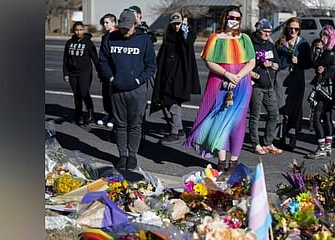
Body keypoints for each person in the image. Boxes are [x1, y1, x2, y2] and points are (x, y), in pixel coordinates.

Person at [183, 5, 256, 173]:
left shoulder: (245, 38)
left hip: (241, 86)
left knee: (237, 124)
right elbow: (209, 62)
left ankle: (234, 162)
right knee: (219, 120)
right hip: (219, 83)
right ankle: (222, 161)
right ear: (225, 18)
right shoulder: (215, 37)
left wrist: (236, 77)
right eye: (231, 17)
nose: (234, 20)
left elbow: (251, 63)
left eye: (237, 18)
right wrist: (227, 75)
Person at [98, 9, 157, 170]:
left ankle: (132, 155)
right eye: (122, 27)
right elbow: (102, 61)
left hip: (137, 90)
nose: (125, 31)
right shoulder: (110, 38)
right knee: (120, 124)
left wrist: (139, 79)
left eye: (128, 28)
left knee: (135, 125)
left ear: (134, 24)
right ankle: (122, 155)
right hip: (117, 89)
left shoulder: (143, 40)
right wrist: (111, 78)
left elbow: (151, 65)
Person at [151, 12, 201, 143]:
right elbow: (162, 55)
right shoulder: (169, 37)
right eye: (174, 24)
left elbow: (188, 40)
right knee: (166, 101)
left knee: (173, 102)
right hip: (167, 75)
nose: (176, 27)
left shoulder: (186, 35)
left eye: (178, 24)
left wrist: (185, 27)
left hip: (180, 76)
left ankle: (175, 132)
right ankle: (179, 130)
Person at [274, 17, 312, 150]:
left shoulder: (303, 44)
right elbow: (274, 59)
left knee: (294, 107)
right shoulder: (280, 42)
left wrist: (299, 62)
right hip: (281, 76)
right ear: (287, 28)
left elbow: (309, 63)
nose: (293, 31)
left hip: (297, 76)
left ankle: (292, 136)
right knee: (280, 105)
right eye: (291, 28)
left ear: (299, 29)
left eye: (296, 29)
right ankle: (279, 136)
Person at [306, 25, 335, 159]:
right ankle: (328, 146)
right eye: (322, 35)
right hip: (332, 88)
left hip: (324, 89)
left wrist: (317, 49)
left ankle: (321, 148)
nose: (322, 38)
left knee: (317, 117)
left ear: (331, 36)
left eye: (325, 36)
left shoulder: (329, 52)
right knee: (327, 117)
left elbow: (315, 62)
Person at [248, 19, 282, 155]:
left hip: (269, 86)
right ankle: (255, 144)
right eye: (264, 31)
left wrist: (272, 65)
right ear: (258, 31)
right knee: (255, 116)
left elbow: (278, 64)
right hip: (256, 86)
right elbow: (244, 63)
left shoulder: (270, 45)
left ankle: (268, 142)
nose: (267, 34)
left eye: (269, 31)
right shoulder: (250, 44)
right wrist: (253, 71)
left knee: (274, 115)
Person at [63, 21, 99, 125]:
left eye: (81, 30)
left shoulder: (88, 43)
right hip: (72, 73)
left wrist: (100, 71)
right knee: (76, 95)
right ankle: (78, 115)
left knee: (84, 92)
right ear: (74, 31)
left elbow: (95, 59)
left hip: (85, 72)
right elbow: (66, 59)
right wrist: (66, 73)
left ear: (84, 30)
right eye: (76, 30)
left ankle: (91, 113)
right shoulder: (69, 43)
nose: (79, 32)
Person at [97, 13, 118, 128]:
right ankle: (109, 114)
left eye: (107, 22)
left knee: (113, 95)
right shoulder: (105, 37)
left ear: (113, 23)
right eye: (103, 23)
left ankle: (115, 116)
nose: (105, 25)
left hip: (114, 71)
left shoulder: (117, 35)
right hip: (105, 71)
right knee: (106, 94)